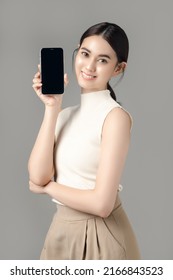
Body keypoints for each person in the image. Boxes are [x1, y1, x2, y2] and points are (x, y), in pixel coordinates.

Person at [28, 22, 140, 260]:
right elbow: (36, 176)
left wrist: (47, 188)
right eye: (85, 54)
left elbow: (102, 204)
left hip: (101, 237)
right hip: (60, 231)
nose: (89, 66)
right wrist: (52, 106)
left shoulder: (115, 117)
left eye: (102, 60)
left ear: (118, 68)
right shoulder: (64, 114)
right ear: (77, 52)